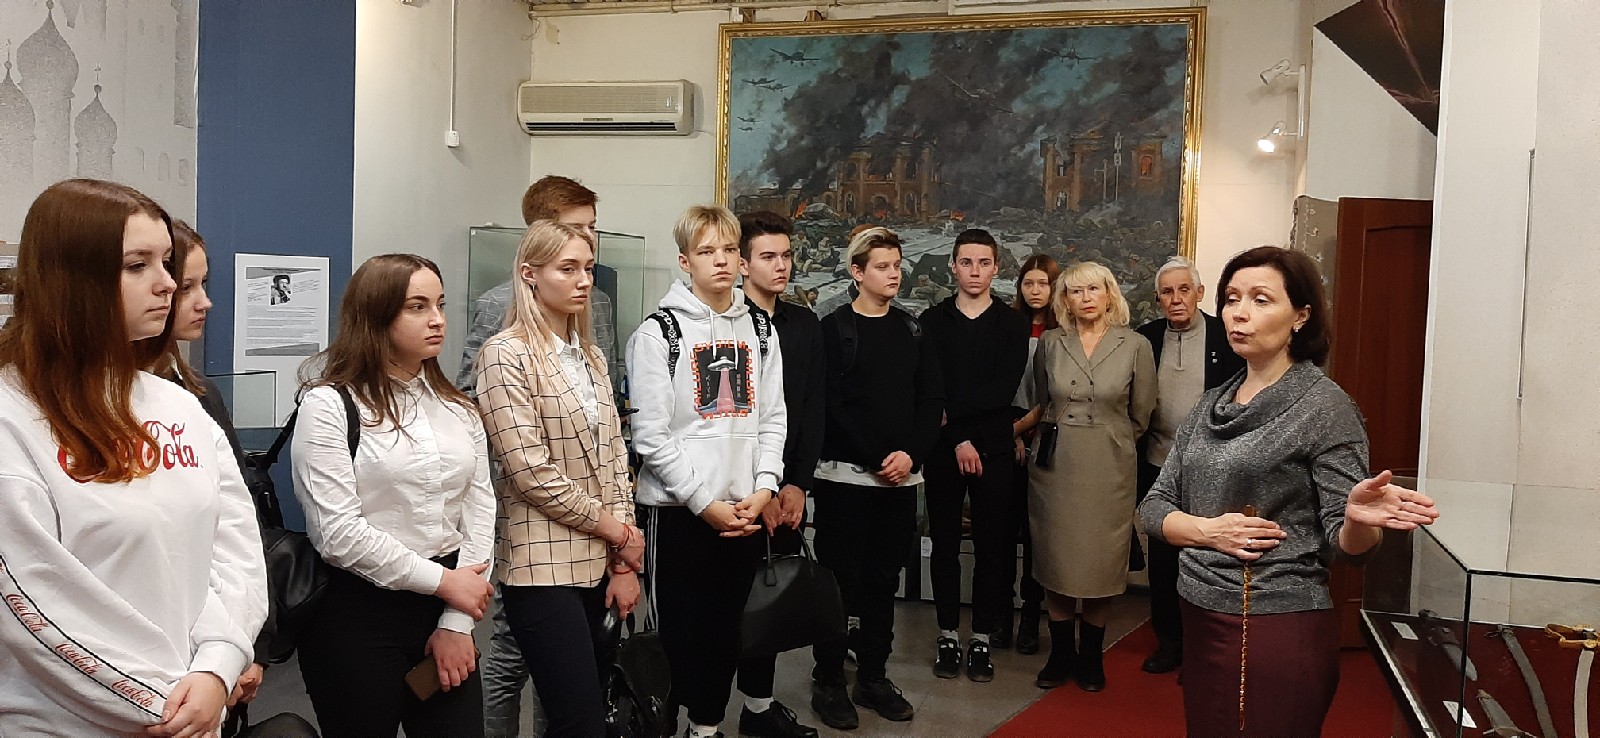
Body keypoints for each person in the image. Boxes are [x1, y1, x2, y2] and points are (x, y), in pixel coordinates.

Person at [0, 179, 267, 736]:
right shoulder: (13, 415)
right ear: (70, 278)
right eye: (136, 265)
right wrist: (163, 703)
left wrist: (217, 668)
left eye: (166, 262)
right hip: (68, 721)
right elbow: (29, 598)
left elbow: (234, 551)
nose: (167, 283)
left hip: (195, 709)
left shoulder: (180, 406)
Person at [1137, 246, 1438, 737]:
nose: (1239, 312)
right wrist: (1208, 532)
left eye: (1260, 299)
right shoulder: (1211, 403)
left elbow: (1352, 547)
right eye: (1231, 298)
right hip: (1200, 613)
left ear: (1301, 315)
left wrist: (1356, 520)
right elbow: (1153, 507)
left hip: (1275, 622)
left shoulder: (1324, 407)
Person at [292, 253, 496, 737]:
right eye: (417, 307)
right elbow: (338, 533)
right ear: (376, 316)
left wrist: (456, 621)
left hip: (447, 607)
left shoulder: (458, 409)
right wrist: (445, 584)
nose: (437, 319)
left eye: (440, 304)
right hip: (358, 613)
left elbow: (480, 508)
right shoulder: (329, 405)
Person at [458, 175, 619, 738]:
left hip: (597, 543)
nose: (583, 276)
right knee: (516, 662)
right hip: (537, 537)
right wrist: (615, 528)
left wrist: (621, 542)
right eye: (569, 263)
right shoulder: (503, 339)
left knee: (577, 702)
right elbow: (515, 452)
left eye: (588, 262)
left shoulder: (590, 346)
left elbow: (612, 445)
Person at [626, 205, 787, 738]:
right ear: (684, 261)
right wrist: (703, 503)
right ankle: (664, 724)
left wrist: (765, 488)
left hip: (743, 511)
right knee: (678, 635)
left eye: (728, 250)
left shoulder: (760, 329)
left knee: (726, 633)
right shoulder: (658, 333)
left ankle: (707, 728)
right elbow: (651, 436)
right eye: (706, 251)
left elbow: (772, 418)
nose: (720, 261)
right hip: (679, 513)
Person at [809, 227, 943, 731]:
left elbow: (931, 399)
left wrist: (911, 455)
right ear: (857, 272)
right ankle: (829, 679)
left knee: (884, 582)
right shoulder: (835, 329)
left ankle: (873, 675)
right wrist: (877, 456)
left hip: (900, 482)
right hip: (844, 480)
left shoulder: (912, 329)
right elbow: (830, 404)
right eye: (883, 266)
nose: (894, 274)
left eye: (897, 265)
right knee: (838, 582)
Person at [152, 220, 277, 712]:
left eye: (203, 284)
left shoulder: (198, 394)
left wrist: (246, 646)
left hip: (217, 636)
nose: (204, 302)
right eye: (187, 287)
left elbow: (238, 524)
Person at [1027, 260, 1156, 692]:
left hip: (1110, 467)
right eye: (1075, 291)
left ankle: (1090, 657)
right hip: (1057, 467)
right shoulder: (1050, 342)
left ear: (1109, 294)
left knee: (1102, 563)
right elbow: (1042, 400)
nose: (1085, 299)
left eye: (1093, 289)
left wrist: (1110, 439)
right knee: (1056, 557)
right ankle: (1061, 654)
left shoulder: (1135, 345)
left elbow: (1142, 414)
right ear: (1065, 300)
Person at [919, 229, 1030, 682]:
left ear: (996, 268)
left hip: (995, 448)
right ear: (953, 266)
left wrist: (963, 427)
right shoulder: (931, 321)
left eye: (984, 263)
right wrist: (957, 440)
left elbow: (1001, 391)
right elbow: (931, 390)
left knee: (992, 547)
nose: (975, 271)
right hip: (945, 449)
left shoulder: (1013, 324)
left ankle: (981, 636)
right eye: (966, 262)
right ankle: (947, 633)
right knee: (944, 544)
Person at [734, 210, 824, 738]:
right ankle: (697, 715)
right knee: (723, 604)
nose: (781, 265)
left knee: (768, 601)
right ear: (743, 263)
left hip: (787, 486)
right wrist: (759, 488)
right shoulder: (726, 323)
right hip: (733, 490)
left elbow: (812, 407)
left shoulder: (805, 325)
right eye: (768, 256)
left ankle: (759, 707)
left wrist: (796, 484)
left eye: (786, 255)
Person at [1133, 256, 1245, 675]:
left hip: (1213, 467)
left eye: (1184, 289)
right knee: (1163, 561)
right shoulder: (1145, 340)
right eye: (1167, 292)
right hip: (1158, 465)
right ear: (1158, 299)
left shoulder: (1225, 336)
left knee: (1208, 557)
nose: (1176, 298)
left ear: (1199, 293)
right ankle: (1169, 642)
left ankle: (1207, 646)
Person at [1005, 253, 1061, 655]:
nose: (1036, 291)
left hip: (1046, 437)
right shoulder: (1009, 326)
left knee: (1037, 534)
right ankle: (999, 613)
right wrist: (1010, 433)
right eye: (1029, 283)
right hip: (1006, 436)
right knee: (1004, 531)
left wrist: (1023, 430)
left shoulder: (1063, 333)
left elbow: (1054, 394)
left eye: (1043, 283)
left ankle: (1030, 614)